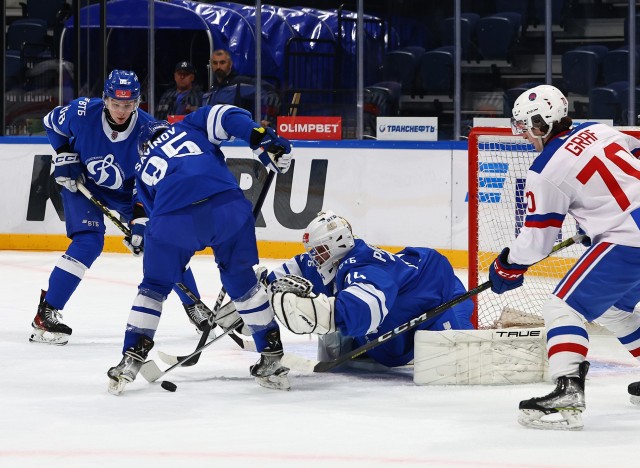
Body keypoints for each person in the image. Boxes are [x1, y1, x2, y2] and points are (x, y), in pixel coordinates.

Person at [106, 104, 294, 394]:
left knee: (154, 287)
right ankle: (271, 355)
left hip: (174, 222)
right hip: (229, 208)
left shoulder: (142, 168)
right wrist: (262, 139)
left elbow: (153, 215)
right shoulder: (188, 127)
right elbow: (227, 114)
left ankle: (131, 358)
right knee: (242, 281)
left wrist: (149, 242)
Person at [487, 84, 640, 431]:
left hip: (629, 239)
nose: (525, 135)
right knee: (615, 311)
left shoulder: (546, 170)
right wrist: (603, 212)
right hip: (633, 230)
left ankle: (568, 388)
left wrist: (507, 264)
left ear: (541, 125)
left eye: (526, 127)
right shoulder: (598, 130)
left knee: (562, 307)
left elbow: (537, 243)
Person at [34, 69, 210, 346]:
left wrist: (141, 216)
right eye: (116, 103)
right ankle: (47, 312)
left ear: (138, 102)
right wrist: (63, 154)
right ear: (105, 99)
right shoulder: (81, 112)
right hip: (83, 184)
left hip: (131, 192)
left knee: (163, 242)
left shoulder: (150, 131)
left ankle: (194, 304)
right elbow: (50, 123)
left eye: (128, 104)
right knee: (88, 242)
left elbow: (152, 180)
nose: (121, 110)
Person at [263, 210, 474, 368]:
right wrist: (256, 299)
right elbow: (297, 267)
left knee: (463, 353)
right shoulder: (331, 261)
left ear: (337, 243)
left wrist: (326, 315)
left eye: (318, 251)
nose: (315, 258)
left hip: (443, 296)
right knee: (343, 346)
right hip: (413, 291)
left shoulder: (362, 266)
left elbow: (366, 305)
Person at [202, 49, 280, 128]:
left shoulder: (240, 83)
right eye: (215, 63)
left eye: (222, 62)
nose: (218, 66)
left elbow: (269, 92)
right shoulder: (210, 92)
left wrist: (268, 120)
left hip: (239, 136)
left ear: (230, 64)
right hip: (214, 136)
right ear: (211, 65)